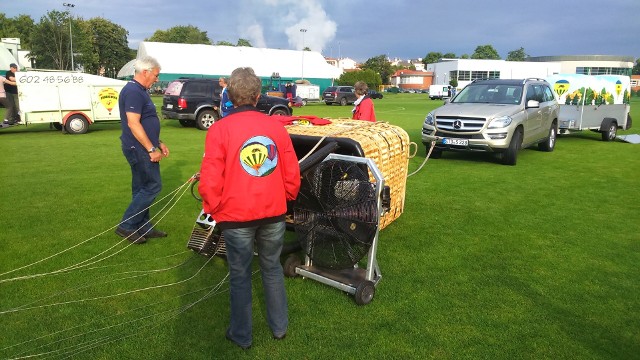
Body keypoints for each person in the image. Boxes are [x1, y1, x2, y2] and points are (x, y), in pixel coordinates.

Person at [198, 67, 301, 350]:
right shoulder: (276, 127)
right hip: (271, 213)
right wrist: (286, 198)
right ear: (257, 96)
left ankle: (242, 334)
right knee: (271, 268)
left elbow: (209, 179)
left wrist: (214, 208)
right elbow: (291, 172)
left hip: (237, 216)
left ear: (231, 96)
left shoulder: (219, 129)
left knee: (241, 274)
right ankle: (279, 327)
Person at [115, 56, 169, 244]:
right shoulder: (133, 92)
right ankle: (127, 225)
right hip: (139, 148)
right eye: (156, 75)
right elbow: (133, 124)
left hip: (142, 146)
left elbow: (146, 122)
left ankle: (142, 226)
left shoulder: (140, 91)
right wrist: (151, 148)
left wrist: (158, 141)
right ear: (145, 72)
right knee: (153, 186)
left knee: (141, 188)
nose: (157, 79)